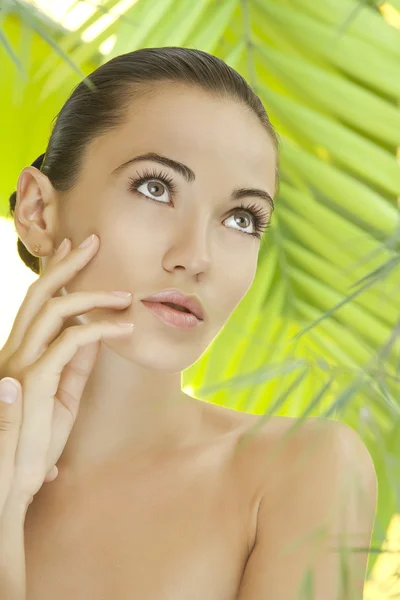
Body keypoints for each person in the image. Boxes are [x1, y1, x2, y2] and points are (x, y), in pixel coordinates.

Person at [1, 47, 376, 600]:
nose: (196, 256)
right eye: (156, 188)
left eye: (241, 218)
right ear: (37, 211)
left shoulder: (303, 472)